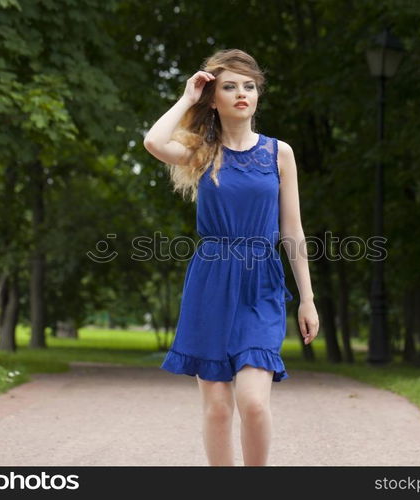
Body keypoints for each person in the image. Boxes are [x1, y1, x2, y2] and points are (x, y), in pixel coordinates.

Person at [143, 48, 319, 466]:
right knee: (219, 407)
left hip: (261, 280)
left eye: (249, 86)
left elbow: (292, 231)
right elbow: (153, 141)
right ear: (214, 97)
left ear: (258, 95)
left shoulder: (280, 154)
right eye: (229, 86)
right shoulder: (202, 152)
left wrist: (308, 298)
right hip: (211, 281)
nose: (242, 93)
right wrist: (189, 96)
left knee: (254, 402)